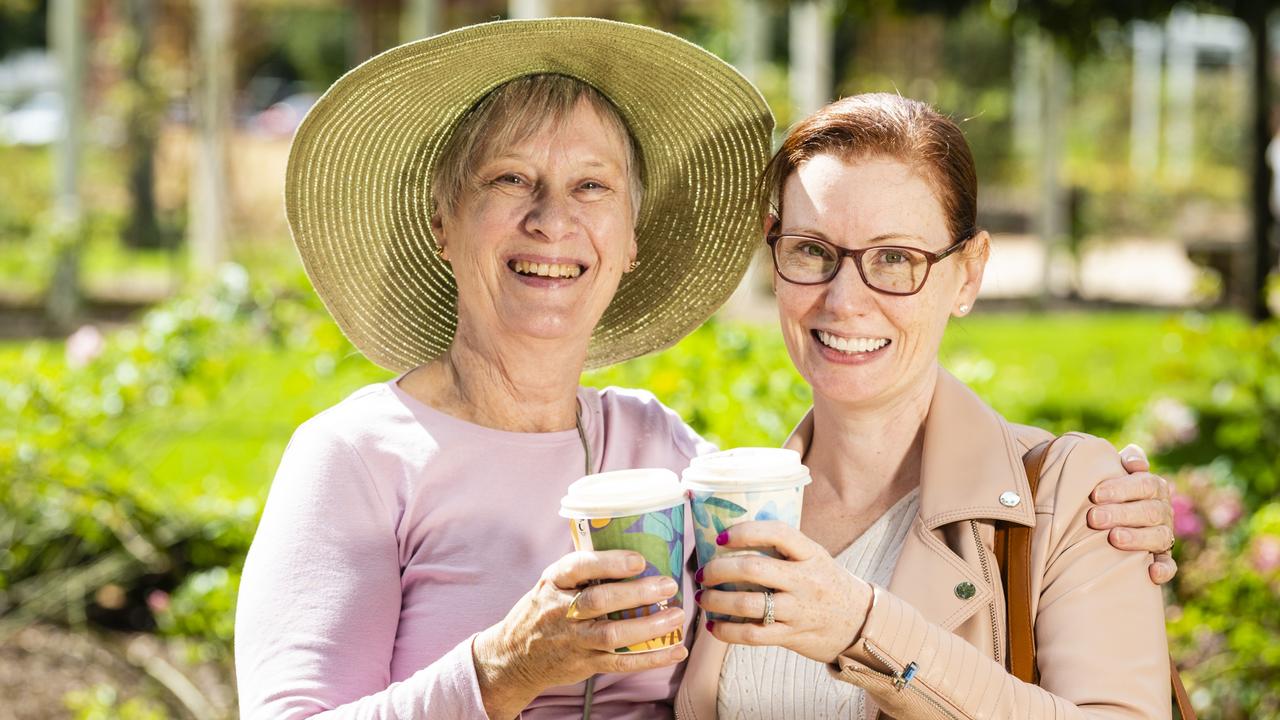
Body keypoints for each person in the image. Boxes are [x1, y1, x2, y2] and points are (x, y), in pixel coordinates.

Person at [236, 20, 1177, 720]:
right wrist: (502, 669)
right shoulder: (358, 456)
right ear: (443, 221)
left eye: (592, 185)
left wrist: (1098, 504)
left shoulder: (671, 457)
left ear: (632, 240)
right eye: (510, 180)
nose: (552, 220)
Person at [677, 93, 1175, 719]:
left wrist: (864, 630)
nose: (844, 301)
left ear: (968, 274)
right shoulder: (732, 503)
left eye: (894, 259)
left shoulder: (1073, 496)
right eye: (811, 250)